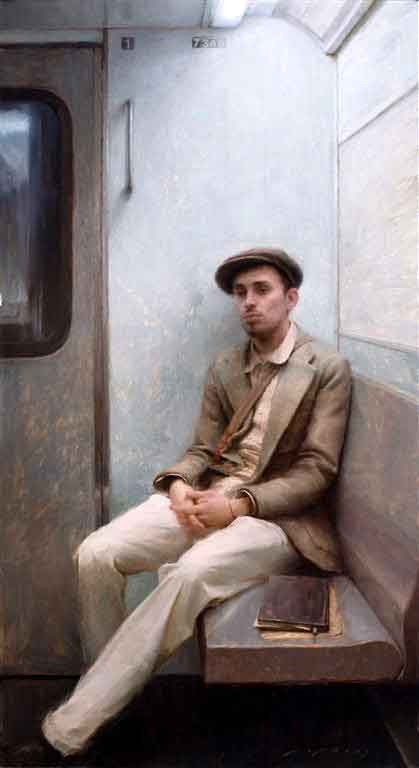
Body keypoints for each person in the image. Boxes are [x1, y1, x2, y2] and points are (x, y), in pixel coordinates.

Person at [42, 247, 351, 756]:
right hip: (212, 497)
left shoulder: (327, 367)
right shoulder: (227, 365)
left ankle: (70, 729)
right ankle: (111, 699)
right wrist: (179, 486)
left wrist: (240, 505)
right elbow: (202, 451)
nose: (249, 302)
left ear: (291, 298)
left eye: (262, 290)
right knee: (96, 554)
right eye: (240, 293)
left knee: (187, 574)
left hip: (279, 521)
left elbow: (317, 470)